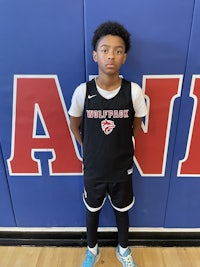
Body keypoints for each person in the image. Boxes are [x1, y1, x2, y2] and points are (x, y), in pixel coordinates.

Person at [68, 21, 148, 267]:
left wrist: (123, 142)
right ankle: (92, 249)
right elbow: (74, 126)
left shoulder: (133, 91)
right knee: (91, 211)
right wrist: (90, 148)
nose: (110, 56)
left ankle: (123, 249)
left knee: (122, 211)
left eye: (118, 50)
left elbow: (135, 124)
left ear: (124, 57)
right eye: (104, 50)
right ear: (95, 55)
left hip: (122, 168)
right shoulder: (83, 91)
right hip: (93, 168)